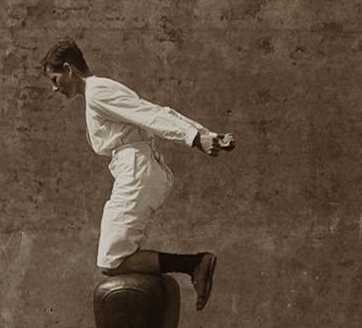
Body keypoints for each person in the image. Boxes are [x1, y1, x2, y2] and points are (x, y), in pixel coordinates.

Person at [41, 38, 236, 309]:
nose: (54, 88)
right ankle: (193, 265)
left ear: (68, 69)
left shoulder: (97, 92)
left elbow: (150, 115)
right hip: (136, 170)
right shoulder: (100, 90)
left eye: (55, 78)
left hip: (136, 170)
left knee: (111, 260)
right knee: (114, 260)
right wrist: (204, 134)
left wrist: (195, 137)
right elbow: (158, 111)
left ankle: (195, 264)